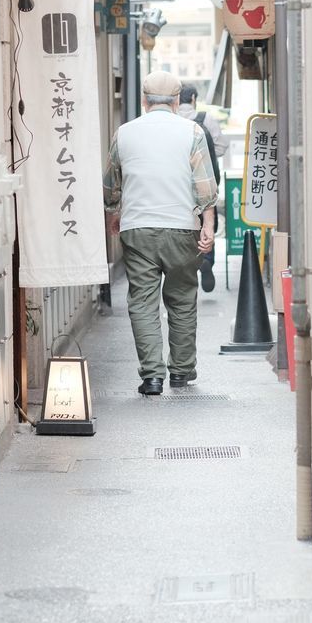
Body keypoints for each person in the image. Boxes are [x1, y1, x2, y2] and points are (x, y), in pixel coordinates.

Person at [103, 70, 218, 395]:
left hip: (138, 228)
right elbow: (205, 186)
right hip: (182, 227)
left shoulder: (124, 133)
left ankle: (152, 377)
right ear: (177, 100)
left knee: (142, 301)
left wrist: (114, 213)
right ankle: (181, 372)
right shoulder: (192, 131)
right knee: (182, 298)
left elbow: (112, 182)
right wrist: (207, 226)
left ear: (143, 100)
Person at [178, 83, 228, 292]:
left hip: (179, 184)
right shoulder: (205, 118)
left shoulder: (171, 120)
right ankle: (207, 258)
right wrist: (204, 158)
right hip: (205, 181)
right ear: (193, 99)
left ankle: (188, 263)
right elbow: (222, 146)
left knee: (184, 222)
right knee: (207, 219)